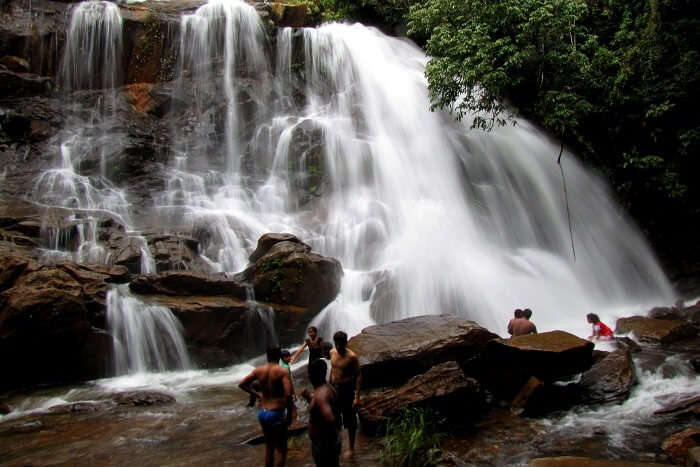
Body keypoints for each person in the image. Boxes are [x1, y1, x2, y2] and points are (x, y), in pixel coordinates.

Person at [239, 347, 295, 467]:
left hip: (262, 412)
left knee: (269, 448)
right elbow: (289, 394)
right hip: (276, 413)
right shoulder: (282, 371)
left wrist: (258, 395)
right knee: (281, 451)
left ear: (267, 356)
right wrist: (290, 415)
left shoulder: (259, 370)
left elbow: (242, 384)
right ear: (279, 357)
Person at [301, 359, 341, 467]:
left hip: (324, 445)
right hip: (331, 441)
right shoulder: (328, 387)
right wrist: (309, 397)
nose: (308, 376)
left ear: (311, 376)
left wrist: (325, 442)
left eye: (309, 374)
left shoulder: (320, 396)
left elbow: (329, 417)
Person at [330, 330, 361, 457]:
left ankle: (351, 448)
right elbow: (332, 370)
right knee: (335, 418)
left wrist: (357, 397)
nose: (338, 346)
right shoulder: (332, 352)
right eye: (337, 344)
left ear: (345, 343)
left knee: (350, 420)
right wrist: (328, 386)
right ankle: (337, 444)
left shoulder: (352, 357)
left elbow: (359, 376)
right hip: (334, 389)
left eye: (341, 344)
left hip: (347, 390)